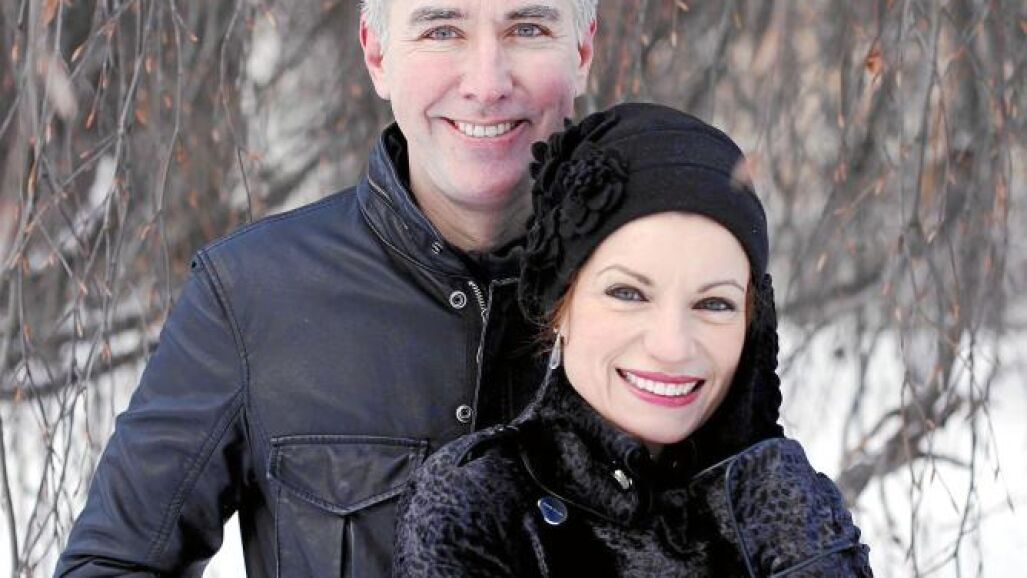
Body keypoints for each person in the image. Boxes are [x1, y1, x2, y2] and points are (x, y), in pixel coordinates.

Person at [56, 1, 597, 576]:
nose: (486, 84)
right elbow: (108, 565)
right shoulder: (252, 292)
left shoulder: (655, 298)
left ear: (583, 50)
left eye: (528, 28)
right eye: (442, 30)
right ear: (377, 54)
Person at [392, 103, 874, 577]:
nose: (672, 346)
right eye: (628, 294)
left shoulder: (781, 497)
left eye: (714, 303)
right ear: (560, 306)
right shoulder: (479, 499)